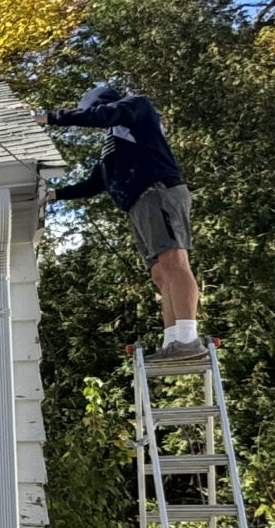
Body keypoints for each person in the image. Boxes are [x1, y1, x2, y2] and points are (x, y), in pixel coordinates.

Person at [42, 81, 207, 365]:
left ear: (100, 105)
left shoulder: (136, 108)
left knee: (174, 261)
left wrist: (46, 117)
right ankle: (173, 341)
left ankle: (187, 339)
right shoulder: (114, 142)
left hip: (157, 191)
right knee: (160, 273)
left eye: (89, 111)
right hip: (138, 204)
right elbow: (95, 183)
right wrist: (54, 195)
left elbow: (102, 115)